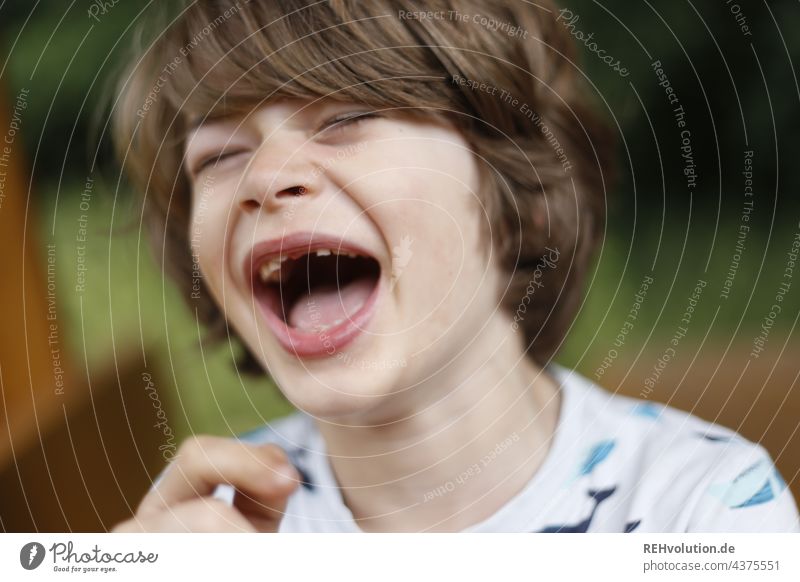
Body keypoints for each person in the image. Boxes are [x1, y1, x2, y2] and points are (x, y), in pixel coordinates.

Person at [110, 0, 799, 532]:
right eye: (221, 156)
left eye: (346, 118)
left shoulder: (704, 506)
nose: (266, 176)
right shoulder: (216, 530)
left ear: (514, 185)